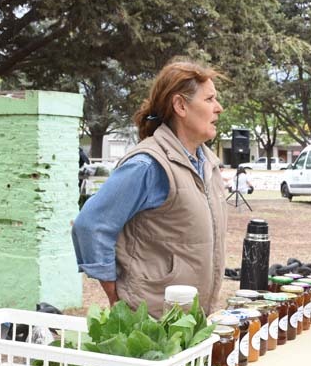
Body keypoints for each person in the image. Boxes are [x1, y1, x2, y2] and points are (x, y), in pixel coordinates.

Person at [72, 59, 228, 317]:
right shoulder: (148, 165)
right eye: (209, 99)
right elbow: (90, 225)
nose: (218, 108)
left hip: (190, 320)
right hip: (150, 323)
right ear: (180, 105)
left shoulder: (208, 164)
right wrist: (116, 296)